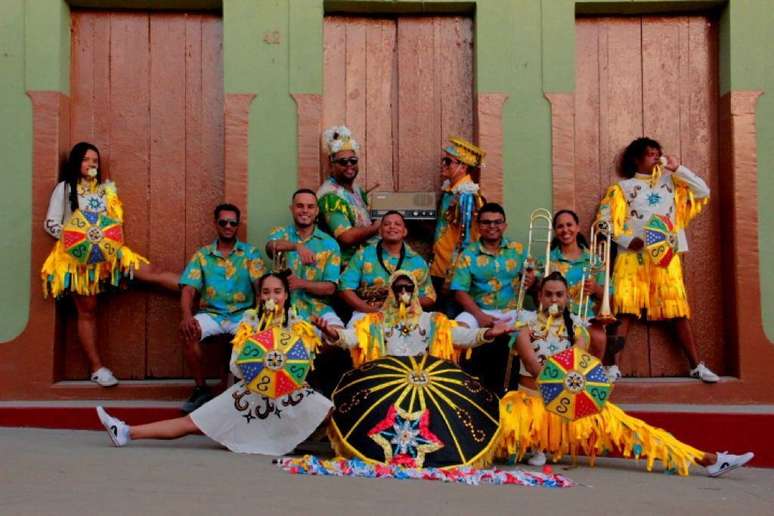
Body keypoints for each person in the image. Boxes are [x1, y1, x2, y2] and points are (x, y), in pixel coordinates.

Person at [498, 271, 753, 477]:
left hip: (567, 408)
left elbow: (577, 369)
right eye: (548, 294)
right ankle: (535, 445)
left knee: (634, 429)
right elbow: (536, 370)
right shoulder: (525, 329)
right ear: (540, 297)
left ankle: (708, 459)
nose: (554, 300)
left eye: (559, 295)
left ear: (568, 298)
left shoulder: (578, 329)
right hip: (529, 407)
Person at [96, 272, 333, 454]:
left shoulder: (297, 324)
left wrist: (328, 333)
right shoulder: (248, 324)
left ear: (286, 295)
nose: (272, 297)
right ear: (259, 296)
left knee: (328, 413)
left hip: (288, 390)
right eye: (266, 292)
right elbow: (236, 366)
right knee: (193, 422)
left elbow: (310, 357)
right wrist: (259, 361)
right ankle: (127, 432)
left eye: (277, 292)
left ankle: (359, 447)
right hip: (250, 393)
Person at [41, 142, 179, 387]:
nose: (91, 164)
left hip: (110, 254)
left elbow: (115, 223)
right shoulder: (64, 189)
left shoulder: (105, 191)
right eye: (86, 159)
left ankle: (201, 292)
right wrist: (76, 237)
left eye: (95, 160)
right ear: (76, 162)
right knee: (88, 311)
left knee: (151, 272)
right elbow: (50, 223)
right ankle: (97, 369)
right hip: (78, 261)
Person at [596, 137, 718, 382]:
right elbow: (603, 222)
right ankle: (611, 366)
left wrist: (678, 169)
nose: (655, 158)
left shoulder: (672, 182)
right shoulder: (622, 188)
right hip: (632, 258)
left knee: (677, 310)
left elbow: (703, 191)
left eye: (657, 154)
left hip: (666, 257)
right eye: (650, 154)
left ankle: (696, 366)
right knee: (625, 310)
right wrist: (628, 241)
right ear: (636, 159)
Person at [178, 203, 266, 413]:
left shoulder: (250, 253)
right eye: (223, 222)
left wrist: (260, 316)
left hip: (242, 314)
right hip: (212, 314)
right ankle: (201, 389)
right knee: (189, 332)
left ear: (238, 225)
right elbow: (188, 290)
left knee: (252, 338)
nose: (228, 226)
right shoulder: (202, 255)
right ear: (215, 223)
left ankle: (243, 393)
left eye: (233, 223)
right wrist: (187, 316)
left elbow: (259, 286)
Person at [319, 271, 513, 364]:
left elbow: (461, 337)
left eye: (408, 288)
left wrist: (488, 333)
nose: (403, 292)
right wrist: (332, 333)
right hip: (387, 380)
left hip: (423, 380)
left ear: (415, 291)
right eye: (398, 288)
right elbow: (352, 339)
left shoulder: (432, 320)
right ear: (391, 292)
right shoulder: (375, 321)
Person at [339, 211, 436, 325]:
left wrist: (404, 302)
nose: (392, 227)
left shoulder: (417, 261)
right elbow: (344, 288)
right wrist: (367, 309)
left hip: (406, 313)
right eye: (386, 224)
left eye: (397, 224)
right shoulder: (363, 254)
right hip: (368, 312)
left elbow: (430, 297)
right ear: (380, 231)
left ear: (405, 231)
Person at [451, 203, 536, 330]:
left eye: (497, 222)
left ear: (504, 226)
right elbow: (459, 291)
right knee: (456, 331)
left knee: (541, 326)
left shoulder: (518, 250)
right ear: (478, 226)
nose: (492, 226)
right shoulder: (467, 254)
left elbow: (537, 272)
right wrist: (480, 316)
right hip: (478, 312)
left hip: (513, 311)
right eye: (486, 222)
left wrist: (533, 278)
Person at [266, 189, 344, 327]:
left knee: (337, 335)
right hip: (282, 309)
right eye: (300, 206)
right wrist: (296, 247)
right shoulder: (280, 233)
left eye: (310, 206)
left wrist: (301, 283)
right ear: (292, 209)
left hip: (318, 310)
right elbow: (271, 247)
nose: (305, 210)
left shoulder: (330, 244)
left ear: (317, 211)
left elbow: (330, 288)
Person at [550, 209, 611, 378]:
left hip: (586, 317)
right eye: (560, 226)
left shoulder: (594, 260)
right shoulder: (549, 259)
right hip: (557, 316)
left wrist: (596, 289)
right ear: (555, 231)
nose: (565, 230)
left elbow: (608, 295)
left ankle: (592, 378)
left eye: (569, 225)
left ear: (577, 228)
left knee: (598, 337)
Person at [316, 126, 380, 267]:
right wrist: (378, 227)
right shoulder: (330, 197)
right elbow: (346, 237)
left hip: (368, 258)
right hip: (348, 265)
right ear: (331, 166)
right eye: (343, 162)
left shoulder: (356, 189)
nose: (349, 165)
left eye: (353, 160)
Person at [430, 137, 486, 295]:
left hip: (453, 271)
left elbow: (466, 237)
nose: (443, 165)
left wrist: (459, 270)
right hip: (440, 264)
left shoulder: (467, 195)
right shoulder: (451, 191)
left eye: (448, 161)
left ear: (463, 167)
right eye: (444, 160)